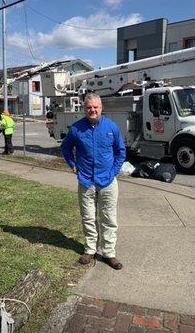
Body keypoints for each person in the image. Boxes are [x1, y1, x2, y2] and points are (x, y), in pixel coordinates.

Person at [61, 93, 126, 270]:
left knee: (109, 218)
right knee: (88, 217)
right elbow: (65, 148)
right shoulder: (76, 129)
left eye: (95, 107)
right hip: (86, 181)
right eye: (89, 107)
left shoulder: (111, 127)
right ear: (84, 108)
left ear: (101, 108)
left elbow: (121, 151)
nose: (92, 110)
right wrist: (73, 165)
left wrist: (113, 172)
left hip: (107, 181)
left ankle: (109, 253)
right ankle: (90, 249)